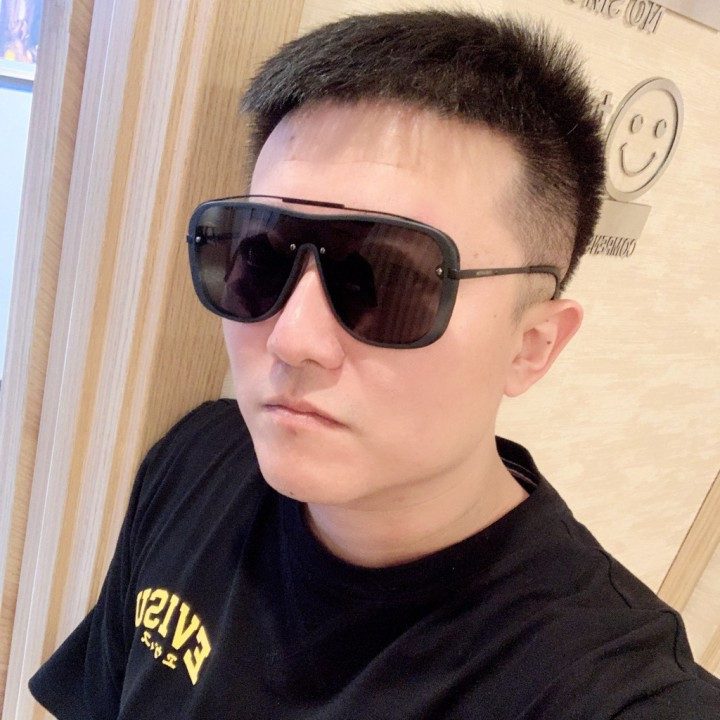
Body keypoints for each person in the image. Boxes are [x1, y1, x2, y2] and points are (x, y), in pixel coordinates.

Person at [29, 9, 720, 719]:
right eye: (259, 257)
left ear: (532, 345)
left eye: (384, 281)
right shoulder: (198, 458)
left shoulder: (607, 691)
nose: (293, 338)